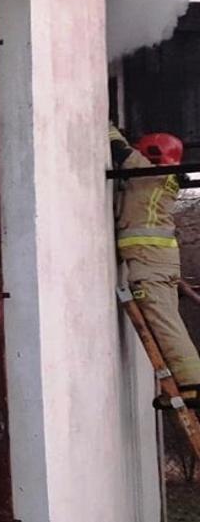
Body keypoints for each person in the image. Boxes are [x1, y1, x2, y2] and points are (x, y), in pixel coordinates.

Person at [111, 124, 200, 405]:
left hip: (150, 261)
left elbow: (117, 147)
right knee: (168, 321)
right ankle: (188, 383)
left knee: (165, 325)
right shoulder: (164, 177)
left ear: (152, 153)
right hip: (157, 260)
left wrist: (108, 124)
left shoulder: (149, 171)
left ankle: (192, 385)